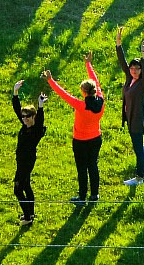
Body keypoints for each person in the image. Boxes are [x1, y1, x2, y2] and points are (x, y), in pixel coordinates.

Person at [43, 57, 104, 203]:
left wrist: (50, 80)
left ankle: (82, 197)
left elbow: (63, 93)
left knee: (82, 169)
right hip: (96, 138)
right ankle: (94, 195)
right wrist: (88, 64)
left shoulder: (80, 105)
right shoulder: (101, 100)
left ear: (83, 92)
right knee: (93, 166)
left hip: (81, 141)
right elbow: (95, 80)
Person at [116, 27, 144, 186]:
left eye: (137, 68)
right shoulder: (129, 79)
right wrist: (118, 45)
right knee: (140, 145)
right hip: (130, 119)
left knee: (138, 148)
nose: (134, 70)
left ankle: (139, 178)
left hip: (137, 120)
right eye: (132, 68)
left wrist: (143, 54)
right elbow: (123, 63)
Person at [9, 81, 47, 225]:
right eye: (23, 116)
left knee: (18, 190)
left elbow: (40, 120)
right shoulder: (25, 126)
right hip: (22, 161)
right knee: (26, 186)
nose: (24, 119)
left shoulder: (36, 130)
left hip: (26, 162)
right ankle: (30, 213)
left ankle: (27, 218)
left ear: (33, 117)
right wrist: (15, 92)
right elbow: (17, 108)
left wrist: (41, 105)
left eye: (27, 117)